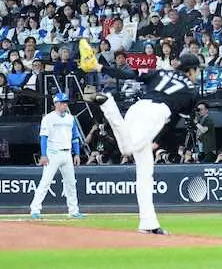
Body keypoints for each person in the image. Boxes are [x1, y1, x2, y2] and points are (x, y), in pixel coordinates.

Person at [95, 55, 202, 233]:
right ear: (191, 70)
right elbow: (173, 120)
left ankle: (148, 223)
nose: (197, 74)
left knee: (145, 173)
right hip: (156, 114)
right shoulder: (191, 90)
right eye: (197, 70)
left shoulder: (161, 73)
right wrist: (158, 141)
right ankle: (108, 104)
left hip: (138, 107)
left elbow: (127, 74)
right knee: (127, 149)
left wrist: (100, 68)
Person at [28, 93, 84, 219]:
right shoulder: (48, 118)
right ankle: (35, 209)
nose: (65, 105)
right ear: (56, 104)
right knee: (45, 182)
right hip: (53, 153)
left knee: (71, 183)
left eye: (66, 102)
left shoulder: (71, 118)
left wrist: (77, 154)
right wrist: (43, 154)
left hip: (67, 153)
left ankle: (74, 210)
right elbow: (43, 137)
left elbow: (75, 137)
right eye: (63, 102)